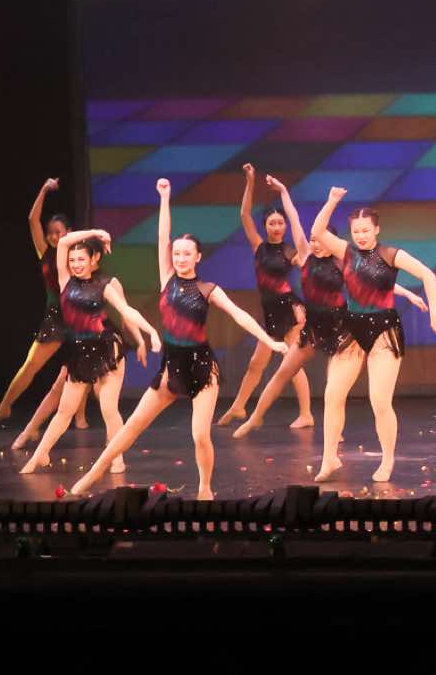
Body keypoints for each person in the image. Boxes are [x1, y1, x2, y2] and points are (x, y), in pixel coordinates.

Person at [68, 179, 284, 499]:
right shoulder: (167, 278)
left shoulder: (208, 290)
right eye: (177, 253)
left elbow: (239, 315)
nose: (180, 258)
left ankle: (205, 488)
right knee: (131, 427)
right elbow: (162, 236)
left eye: (187, 254)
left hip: (202, 369)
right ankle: (92, 475)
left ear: (198, 257)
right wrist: (165, 198)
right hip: (171, 368)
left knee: (199, 435)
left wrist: (270, 340)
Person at [234, 179, 426, 438]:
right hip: (312, 326)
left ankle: (335, 432)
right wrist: (284, 192)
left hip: (338, 326)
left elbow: (374, 282)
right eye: (312, 240)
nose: (315, 243)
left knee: (334, 387)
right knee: (283, 372)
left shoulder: (342, 261)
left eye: (319, 240)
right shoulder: (304, 256)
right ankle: (255, 418)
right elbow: (295, 221)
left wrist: (407, 294)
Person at [306, 189, 436, 484]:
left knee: (379, 401)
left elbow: (428, 275)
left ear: (376, 230)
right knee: (333, 394)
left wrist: (435, 314)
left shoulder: (391, 255)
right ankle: (329, 457)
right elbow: (317, 231)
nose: (360, 236)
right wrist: (332, 201)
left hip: (384, 330)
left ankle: (387, 459)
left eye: (365, 231)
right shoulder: (345, 252)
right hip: (352, 328)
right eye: (356, 231)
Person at [19, 228, 161, 476]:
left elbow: (126, 311)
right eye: (72, 260)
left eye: (81, 259)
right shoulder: (65, 281)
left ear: (92, 259)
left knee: (108, 408)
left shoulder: (104, 285)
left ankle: (117, 458)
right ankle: (39, 454)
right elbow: (64, 241)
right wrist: (95, 232)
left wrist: (150, 332)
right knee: (64, 411)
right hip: (80, 353)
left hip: (106, 350)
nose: (76, 264)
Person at [218, 164, 313, 424]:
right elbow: (244, 214)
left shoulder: (290, 252)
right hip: (270, 313)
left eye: (281, 222)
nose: (277, 226)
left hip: (289, 312)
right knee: (256, 363)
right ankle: (239, 407)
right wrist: (250, 181)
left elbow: (307, 265)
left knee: (292, 365)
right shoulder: (258, 246)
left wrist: (303, 307)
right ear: (265, 226)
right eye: (272, 223)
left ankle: (306, 414)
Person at [0, 178, 76, 430]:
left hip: (78, 315)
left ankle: (79, 417)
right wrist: (44, 189)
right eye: (51, 232)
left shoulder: (78, 254)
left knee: (81, 367)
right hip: (56, 316)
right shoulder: (45, 251)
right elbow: (32, 220)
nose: (54, 236)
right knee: (31, 365)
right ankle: (4, 407)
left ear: (69, 232)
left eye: (59, 232)